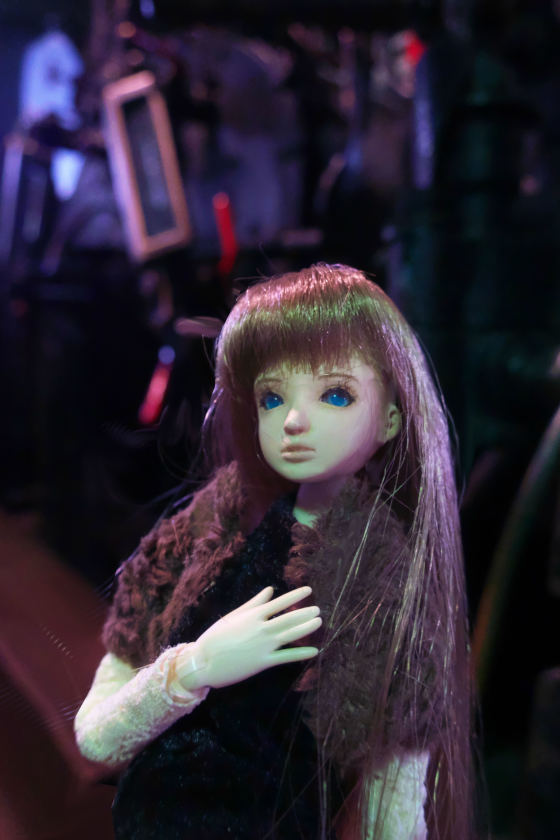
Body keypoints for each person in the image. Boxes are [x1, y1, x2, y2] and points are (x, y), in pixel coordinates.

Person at [75, 264, 474, 839]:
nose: (294, 421)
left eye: (335, 395)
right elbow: (97, 736)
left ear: (391, 417)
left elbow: (393, 809)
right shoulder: (211, 524)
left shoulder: (384, 582)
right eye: (272, 398)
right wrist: (198, 664)